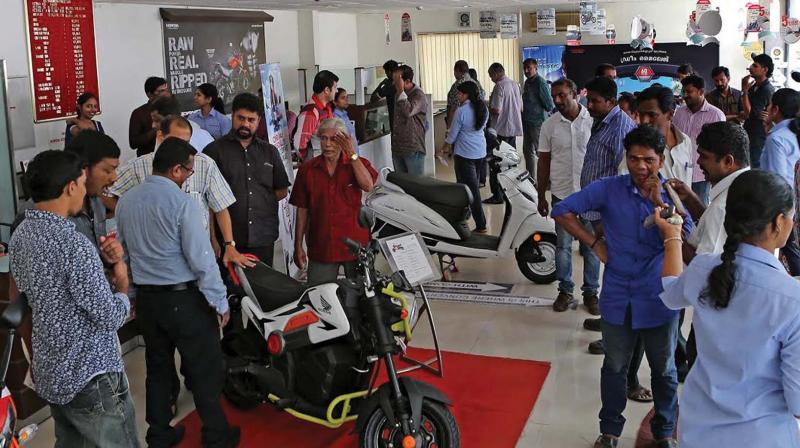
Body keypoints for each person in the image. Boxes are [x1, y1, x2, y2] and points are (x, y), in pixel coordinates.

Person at [552, 125, 693, 448]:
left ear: (661, 160)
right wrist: (594, 242)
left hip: (659, 297)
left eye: (648, 160)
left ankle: (664, 433)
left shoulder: (671, 194)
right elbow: (562, 210)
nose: (640, 167)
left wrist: (661, 202)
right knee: (614, 366)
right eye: (633, 159)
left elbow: (685, 240)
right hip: (617, 296)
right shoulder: (609, 189)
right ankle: (610, 431)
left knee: (664, 371)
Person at [658, 169, 800, 448]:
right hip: (760, 437)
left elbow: (670, 291)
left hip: (698, 429)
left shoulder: (704, 268)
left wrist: (672, 236)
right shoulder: (792, 299)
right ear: (779, 223)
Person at [10, 150, 139, 447]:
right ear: (70, 187)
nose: (84, 190)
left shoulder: (21, 234)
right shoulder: (73, 244)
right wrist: (121, 281)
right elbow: (108, 316)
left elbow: (47, 294)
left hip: (53, 370)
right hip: (91, 373)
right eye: (82, 183)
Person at [116, 138, 239, 448]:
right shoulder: (182, 204)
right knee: (204, 367)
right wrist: (220, 302)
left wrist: (130, 297)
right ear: (175, 170)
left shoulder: (126, 203)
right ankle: (216, 435)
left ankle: (159, 434)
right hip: (184, 301)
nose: (189, 176)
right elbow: (201, 260)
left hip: (148, 301)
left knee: (157, 368)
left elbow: (124, 256)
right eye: (188, 170)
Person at [665, 122, 751, 373]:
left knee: (700, 368)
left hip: (716, 314)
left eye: (704, 156)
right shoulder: (744, 186)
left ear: (728, 161)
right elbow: (719, 231)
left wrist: (672, 234)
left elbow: (705, 264)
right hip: (737, 309)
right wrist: (691, 199)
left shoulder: (725, 203)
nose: (699, 162)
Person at [109, 115, 248, 268]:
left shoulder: (203, 164)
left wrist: (228, 244)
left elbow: (220, 206)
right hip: (155, 261)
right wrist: (128, 212)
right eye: (175, 141)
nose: (181, 148)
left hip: (197, 255)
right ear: (160, 136)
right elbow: (106, 192)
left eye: (186, 142)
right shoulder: (138, 167)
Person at [204, 93, 291, 266]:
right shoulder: (213, 151)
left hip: (263, 236)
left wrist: (260, 202)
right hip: (227, 240)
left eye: (251, 120)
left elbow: (281, 190)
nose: (245, 124)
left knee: (262, 289)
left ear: (259, 121)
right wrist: (212, 238)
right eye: (241, 118)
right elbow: (207, 201)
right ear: (232, 116)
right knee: (231, 290)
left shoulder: (270, 152)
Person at [290, 118, 378, 285]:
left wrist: (351, 153)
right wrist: (298, 245)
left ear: (344, 140)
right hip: (322, 245)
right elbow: (302, 210)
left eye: (333, 139)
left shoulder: (356, 164)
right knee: (320, 298)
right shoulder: (307, 170)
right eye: (323, 138)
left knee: (362, 297)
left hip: (355, 245)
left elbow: (367, 185)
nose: (327, 144)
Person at [536, 78, 598, 312]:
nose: (558, 100)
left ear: (576, 94)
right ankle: (565, 290)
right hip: (562, 195)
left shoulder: (593, 122)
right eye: (555, 96)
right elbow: (543, 162)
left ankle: (591, 293)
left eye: (562, 95)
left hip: (590, 195)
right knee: (562, 246)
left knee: (591, 245)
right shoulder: (549, 125)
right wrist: (541, 195)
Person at [439, 81, 488, 233]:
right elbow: (482, 128)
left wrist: (443, 149)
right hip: (480, 153)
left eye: (460, 93)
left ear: (466, 94)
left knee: (470, 191)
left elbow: (452, 135)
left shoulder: (462, 111)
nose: (458, 96)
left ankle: (481, 225)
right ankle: (461, 218)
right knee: (464, 188)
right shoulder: (482, 108)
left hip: (465, 155)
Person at [760, 88, 800, 276]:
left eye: (769, 105)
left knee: (791, 251)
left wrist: (782, 215)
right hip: (793, 203)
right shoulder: (790, 134)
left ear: (775, 109)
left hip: (784, 206)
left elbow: (779, 179)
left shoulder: (777, 139)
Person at [672, 75, 725, 206]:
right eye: (684, 91)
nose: (685, 95)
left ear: (701, 92)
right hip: (678, 171)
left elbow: (720, 146)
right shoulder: (679, 113)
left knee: (699, 208)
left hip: (700, 173)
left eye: (689, 91)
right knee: (678, 208)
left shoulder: (716, 115)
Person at [637, 86, 693, 186]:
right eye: (641, 115)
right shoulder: (636, 147)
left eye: (652, 115)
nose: (644, 121)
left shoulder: (685, 142)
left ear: (670, 114)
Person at [391, 65, 428, 176]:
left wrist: (401, 91)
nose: (394, 83)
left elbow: (408, 111)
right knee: (401, 186)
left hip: (413, 148)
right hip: (398, 147)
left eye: (397, 80)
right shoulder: (398, 94)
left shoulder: (419, 95)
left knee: (416, 187)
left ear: (407, 81)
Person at [521, 58, 555, 178]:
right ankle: (531, 178)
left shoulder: (540, 82)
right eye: (525, 68)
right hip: (527, 122)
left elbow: (549, 104)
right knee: (527, 151)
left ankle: (548, 180)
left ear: (536, 68)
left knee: (541, 152)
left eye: (529, 68)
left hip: (538, 123)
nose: (526, 70)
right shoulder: (527, 82)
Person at [295, 70, 338, 160]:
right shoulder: (310, 113)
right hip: (317, 165)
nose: (336, 90)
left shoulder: (328, 108)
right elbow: (299, 145)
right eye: (335, 87)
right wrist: (311, 163)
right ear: (326, 90)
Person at [742, 53, 776, 169]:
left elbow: (748, 113)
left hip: (758, 136)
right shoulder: (753, 87)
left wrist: (744, 91)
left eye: (755, 66)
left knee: (755, 167)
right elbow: (742, 111)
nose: (750, 68)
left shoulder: (766, 90)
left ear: (765, 69)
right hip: (750, 133)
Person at [129, 76, 169, 156]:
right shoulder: (139, 113)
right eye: (161, 91)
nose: (165, 94)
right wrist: (155, 129)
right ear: (149, 94)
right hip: (148, 160)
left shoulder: (171, 109)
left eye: (166, 90)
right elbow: (133, 143)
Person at [446, 60, 483, 127]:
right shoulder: (476, 83)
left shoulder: (457, 85)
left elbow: (453, 108)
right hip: (475, 119)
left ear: (457, 70)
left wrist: (449, 127)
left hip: (460, 121)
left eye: (454, 71)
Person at [370, 60, 399, 130]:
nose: (386, 75)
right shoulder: (403, 82)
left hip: (395, 123)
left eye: (386, 73)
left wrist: (381, 84)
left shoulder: (389, 85)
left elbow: (373, 99)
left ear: (389, 72)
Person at [333, 88, 361, 154]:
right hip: (347, 155)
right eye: (343, 98)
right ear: (335, 102)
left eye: (347, 97)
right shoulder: (335, 117)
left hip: (354, 153)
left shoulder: (345, 115)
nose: (346, 100)